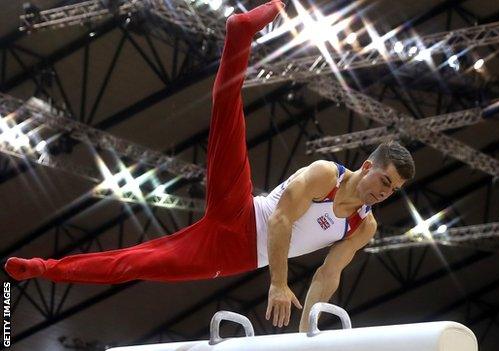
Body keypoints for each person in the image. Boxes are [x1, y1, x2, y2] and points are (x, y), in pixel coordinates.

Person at [4, 0, 415, 332]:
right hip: (240, 212)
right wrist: (277, 283)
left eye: (392, 190)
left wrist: (310, 333)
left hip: (224, 255)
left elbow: (329, 274)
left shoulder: (365, 226)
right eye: (385, 180)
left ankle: (43, 269)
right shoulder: (326, 174)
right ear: (367, 166)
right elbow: (280, 223)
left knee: (132, 264)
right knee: (226, 115)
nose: (384, 192)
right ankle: (239, 35)